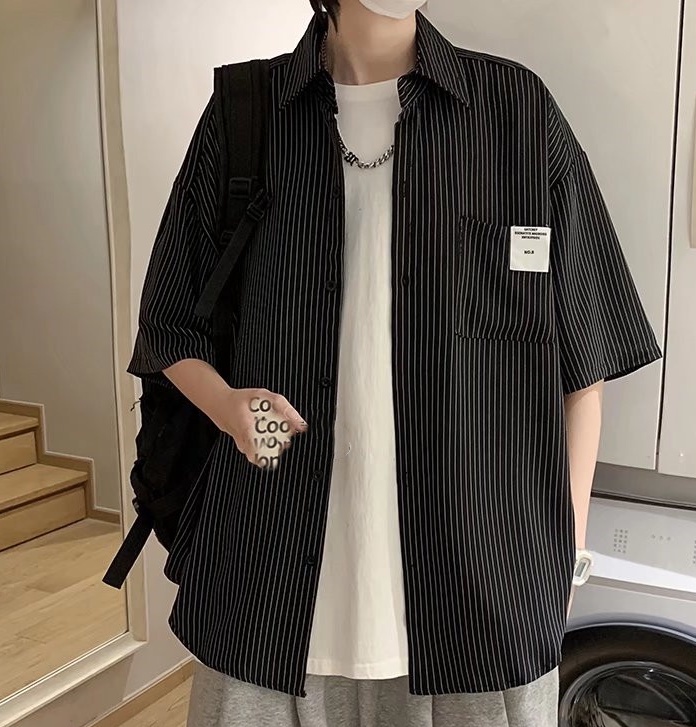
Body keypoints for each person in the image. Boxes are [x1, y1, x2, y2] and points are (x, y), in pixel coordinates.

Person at [127, 0, 663, 725]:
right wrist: (227, 405)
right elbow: (169, 324)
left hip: (481, 596)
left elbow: (583, 361)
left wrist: (563, 554)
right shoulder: (245, 114)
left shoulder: (516, 113)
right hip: (267, 586)